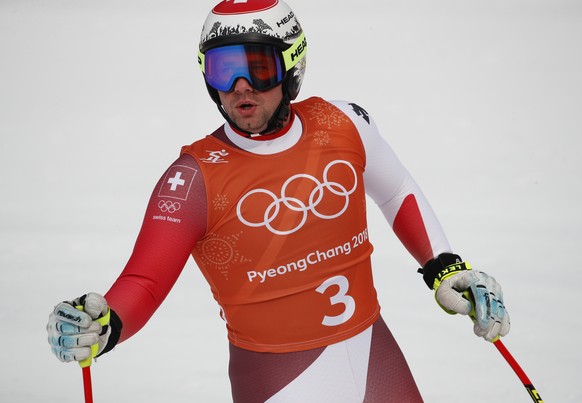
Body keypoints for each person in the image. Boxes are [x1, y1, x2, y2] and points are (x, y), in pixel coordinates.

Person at [46, 1, 510, 401]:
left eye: (258, 68)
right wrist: (103, 324)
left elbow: (395, 189)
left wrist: (445, 266)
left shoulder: (343, 123)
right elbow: (144, 281)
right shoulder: (192, 179)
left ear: (293, 66)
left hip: (373, 352)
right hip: (278, 377)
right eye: (223, 70)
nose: (240, 86)